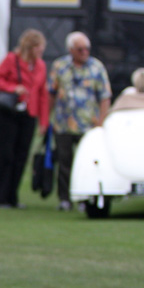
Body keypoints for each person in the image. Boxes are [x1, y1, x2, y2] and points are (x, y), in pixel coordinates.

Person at [47, 31, 111, 211]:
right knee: (64, 162)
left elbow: (105, 96)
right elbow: (51, 93)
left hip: (88, 125)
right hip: (63, 122)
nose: (84, 52)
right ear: (71, 50)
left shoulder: (96, 67)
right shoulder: (60, 66)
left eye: (86, 49)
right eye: (80, 49)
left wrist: (101, 121)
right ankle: (65, 199)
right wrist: (46, 119)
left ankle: (84, 198)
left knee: (86, 163)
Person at [0, 29, 50, 208]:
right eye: (38, 47)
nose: (41, 51)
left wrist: (43, 121)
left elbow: (43, 94)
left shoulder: (40, 66)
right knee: (5, 154)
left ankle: (12, 196)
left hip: (28, 113)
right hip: (9, 113)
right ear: (31, 47)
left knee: (21, 156)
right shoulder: (11, 59)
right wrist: (14, 87)